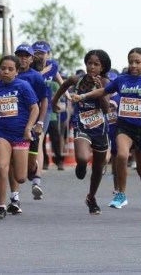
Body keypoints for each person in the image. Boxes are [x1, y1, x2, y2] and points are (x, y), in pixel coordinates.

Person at [74, 48, 141, 221]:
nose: (133, 65)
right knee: (121, 155)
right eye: (131, 62)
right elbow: (103, 91)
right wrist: (83, 96)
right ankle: (121, 194)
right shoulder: (122, 80)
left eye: (138, 62)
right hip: (124, 127)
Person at [53, 50, 112, 215]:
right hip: (81, 124)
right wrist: (54, 102)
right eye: (89, 63)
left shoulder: (106, 82)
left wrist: (101, 90)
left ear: (102, 67)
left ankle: (91, 198)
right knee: (83, 157)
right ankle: (81, 165)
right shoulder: (76, 80)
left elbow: (106, 109)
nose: (91, 67)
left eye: (96, 64)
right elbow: (63, 86)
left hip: (100, 127)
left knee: (99, 167)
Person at [0, 55, 40, 220]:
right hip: (2, 133)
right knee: (2, 167)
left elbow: (34, 109)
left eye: (10, 69)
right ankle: (1, 206)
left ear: (16, 71)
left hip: (21, 134)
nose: (6, 72)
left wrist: (29, 128)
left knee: (21, 177)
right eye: (3, 68)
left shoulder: (23, 86)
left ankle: (33, 164)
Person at [7, 44, 47, 214]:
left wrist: (40, 123)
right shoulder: (8, 75)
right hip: (10, 125)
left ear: (31, 59)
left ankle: (35, 172)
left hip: (30, 126)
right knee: (11, 162)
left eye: (26, 56)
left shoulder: (35, 77)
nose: (23, 58)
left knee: (28, 169)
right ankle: (14, 198)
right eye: (20, 55)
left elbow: (44, 100)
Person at [29, 40, 66, 200]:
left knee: (39, 140)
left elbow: (61, 83)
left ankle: (37, 180)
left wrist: (70, 96)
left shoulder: (53, 66)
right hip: (27, 109)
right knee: (25, 142)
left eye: (42, 52)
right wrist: (43, 71)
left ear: (48, 54)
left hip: (45, 109)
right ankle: (28, 169)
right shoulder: (28, 67)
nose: (39, 55)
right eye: (36, 52)